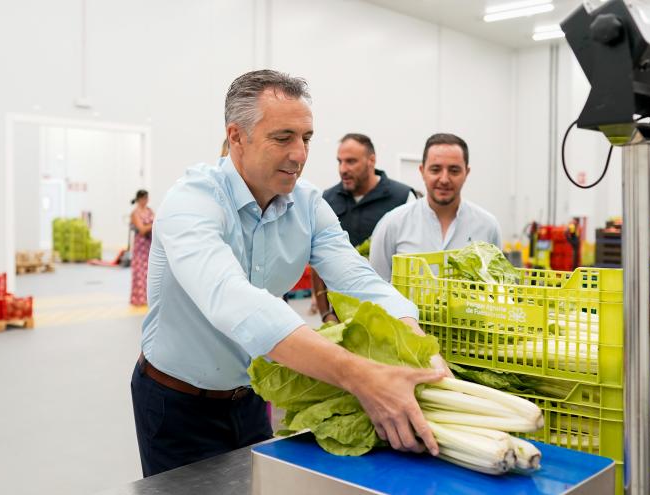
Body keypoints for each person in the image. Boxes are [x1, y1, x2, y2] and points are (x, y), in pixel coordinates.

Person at [131, 70, 447, 477]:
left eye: (307, 138)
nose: (300, 153)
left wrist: (423, 352)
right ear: (237, 136)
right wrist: (362, 377)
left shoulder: (308, 205)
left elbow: (361, 283)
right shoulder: (191, 201)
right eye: (283, 138)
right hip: (175, 403)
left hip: (252, 397)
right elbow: (235, 303)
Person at [369, 133, 502, 282]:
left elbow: (495, 289)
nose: (444, 179)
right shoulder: (392, 224)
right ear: (422, 171)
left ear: (467, 173)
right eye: (435, 169)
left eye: (454, 170)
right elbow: (376, 287)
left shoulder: (488, 226)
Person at [312, 133, 416, 321]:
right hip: (342, 316)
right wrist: (326, 314)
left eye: (351, 161)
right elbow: (317, 260)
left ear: (371, 160)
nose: (343, 169)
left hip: (391, 314)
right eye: (340, 161)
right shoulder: (327, 199)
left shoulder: (402, 197)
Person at [130, 190, 154, 306]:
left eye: (147, 198)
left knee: (150, 272)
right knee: (140, 272)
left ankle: (149, 298)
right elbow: (142, 229)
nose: (146, 201)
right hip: (140, 247)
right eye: (144, 198)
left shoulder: (150, 211)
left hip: (150, 245)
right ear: (139, 199)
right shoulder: (135, 214)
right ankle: (139, 298)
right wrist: (153, 224)